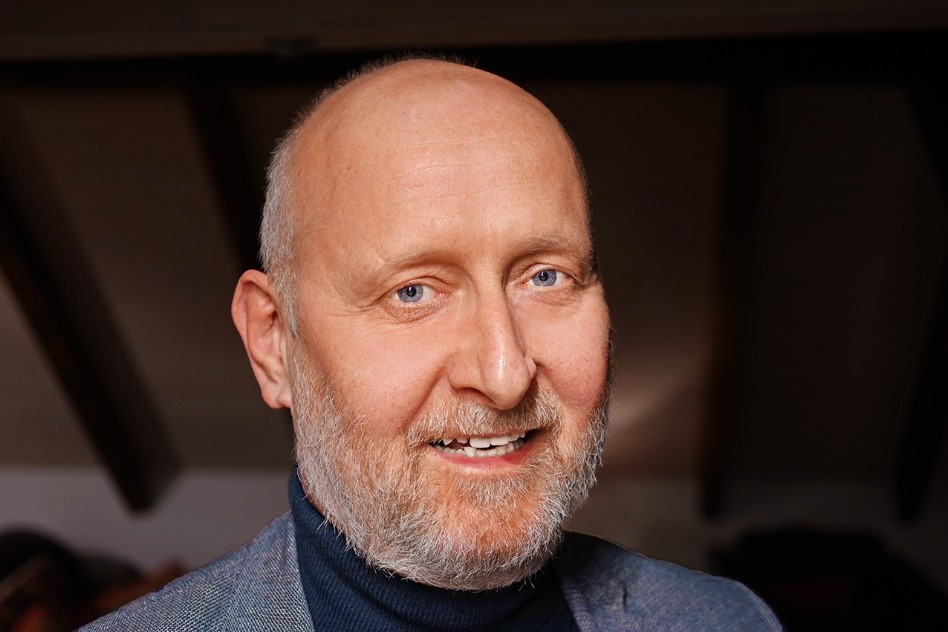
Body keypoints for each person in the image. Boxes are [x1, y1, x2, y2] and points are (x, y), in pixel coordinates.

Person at [82, 56, 781, 631]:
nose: (504, 374)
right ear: (273, 342)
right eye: (413, 292)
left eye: (545, 276)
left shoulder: (728, 620)